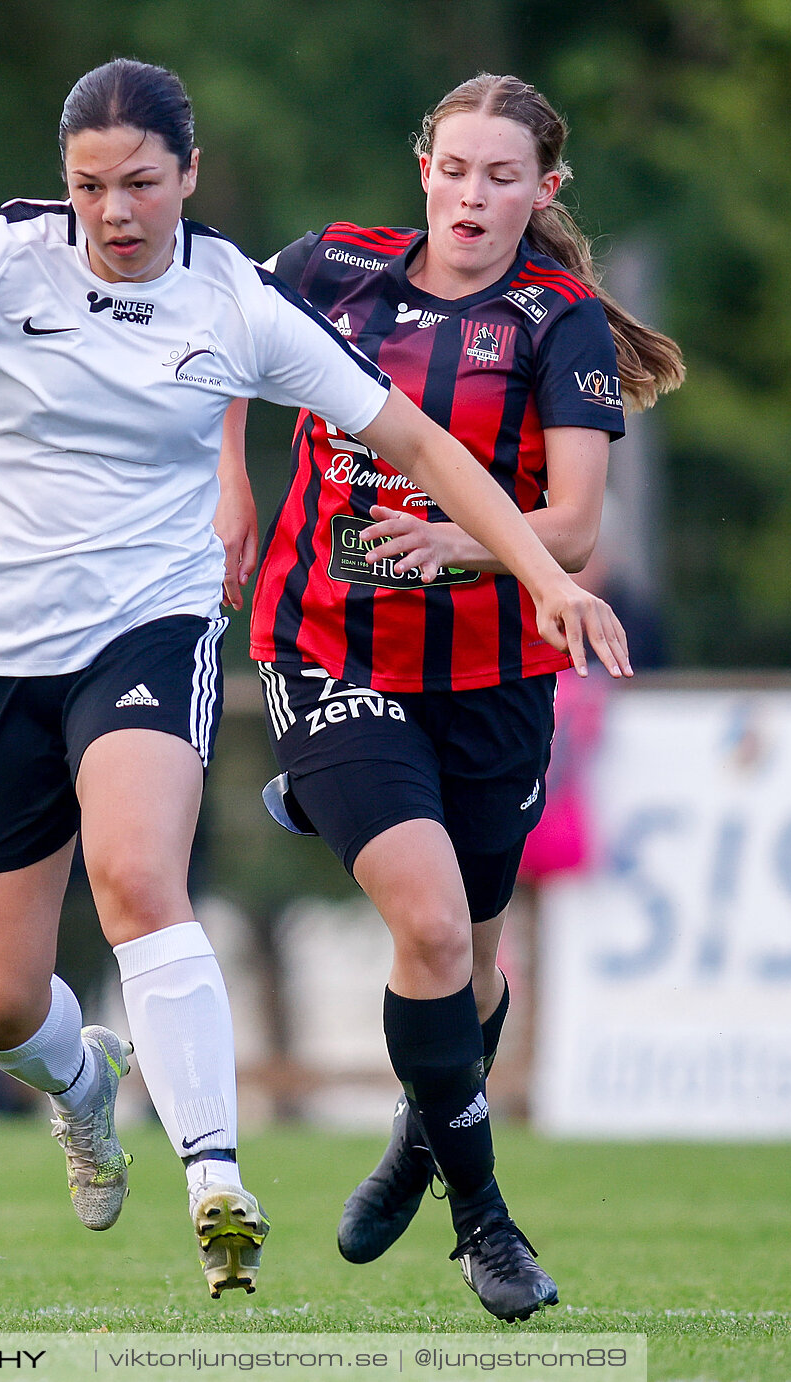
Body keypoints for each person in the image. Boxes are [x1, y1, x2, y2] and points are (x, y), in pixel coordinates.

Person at [0, 58, 625, 1298]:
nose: (116, 212)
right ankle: (84, 1085)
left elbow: (414, 441)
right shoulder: (0, 264)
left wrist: (544, 575)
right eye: (89, 187)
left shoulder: (235, 299)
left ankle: (215, 1178)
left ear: (188, 176)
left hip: (150, 624)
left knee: (140, 874)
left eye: (142, 184)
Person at [235, 72, 682, 1320]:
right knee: (429, 926)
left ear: (545, 189)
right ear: (421, 167)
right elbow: (219, 336)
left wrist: (464, 547)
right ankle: (485, 1223)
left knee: (473, 962)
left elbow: (578, 528)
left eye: (503, 176)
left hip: (491, 678)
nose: (474, 195)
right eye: (455, 169)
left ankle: (419, 1140)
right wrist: (230, 482)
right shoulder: (328, 267)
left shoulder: (560, 321)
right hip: (330, 647)